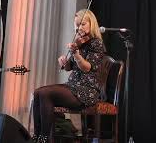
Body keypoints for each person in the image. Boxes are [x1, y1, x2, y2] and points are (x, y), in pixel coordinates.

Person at [32, 9, 105, 143]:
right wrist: (64, 62)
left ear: (91, 24)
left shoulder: (97, 43)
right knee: (37, 92)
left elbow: (87, 68)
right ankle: (37, 137)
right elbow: (69, 67)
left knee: (44, 94)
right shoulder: (78, 43)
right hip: (72, 86)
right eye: (77, 25)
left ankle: (44, 139)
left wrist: (76, 54)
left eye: (83, 24)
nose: (79, 27)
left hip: (86, 91)